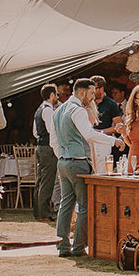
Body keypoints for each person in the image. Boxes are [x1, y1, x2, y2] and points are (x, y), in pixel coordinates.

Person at [53, 78, 115, 258]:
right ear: (82, 92)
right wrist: (113, 141)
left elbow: (53, 139)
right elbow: (89, 134)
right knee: (84, 206)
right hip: (77, 161)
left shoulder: (59, 110)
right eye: (91, 93)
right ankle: (79, 247)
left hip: (62, 161)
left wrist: (61, 156)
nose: (93, 97)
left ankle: (63, 246)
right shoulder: (77, 110)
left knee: (65, 205)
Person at [32, 84, 61, 224]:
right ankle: (43, 213)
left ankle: (38, 211)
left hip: (40, 145)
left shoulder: (39, 109)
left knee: (41, 180)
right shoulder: (48, 110)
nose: (57, 97)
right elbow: (52, 130)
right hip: (48, 147)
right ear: (51, 95)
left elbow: (35, 132)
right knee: (47, 181)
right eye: (57, 94)